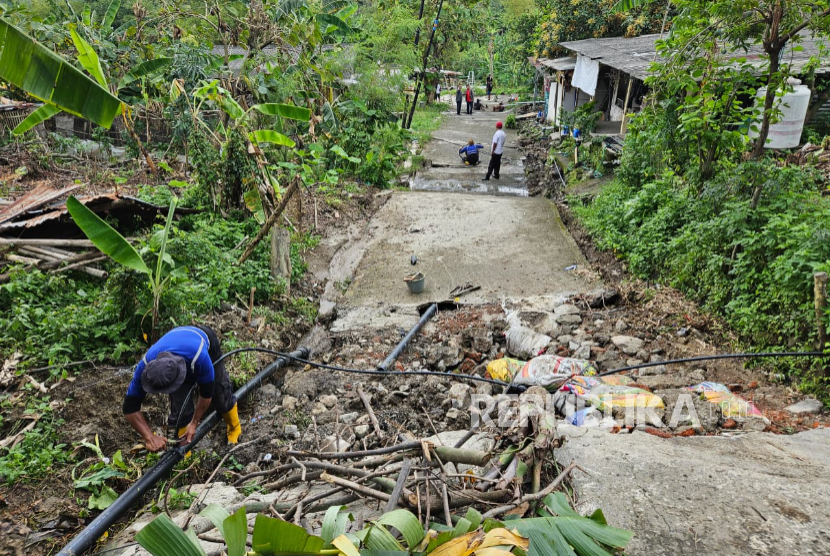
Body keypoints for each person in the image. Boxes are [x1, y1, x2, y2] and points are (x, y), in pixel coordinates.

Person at [122, 325, 241, 452]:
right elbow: (129, 407)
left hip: (201, 339)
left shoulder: (200, 358)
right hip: (176, 343)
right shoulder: (145, 367)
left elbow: (207, 393)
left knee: (220, 393)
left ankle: (234, 427)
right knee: (180, 408)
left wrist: (194, 423)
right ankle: (184, 451)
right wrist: (149, 438)